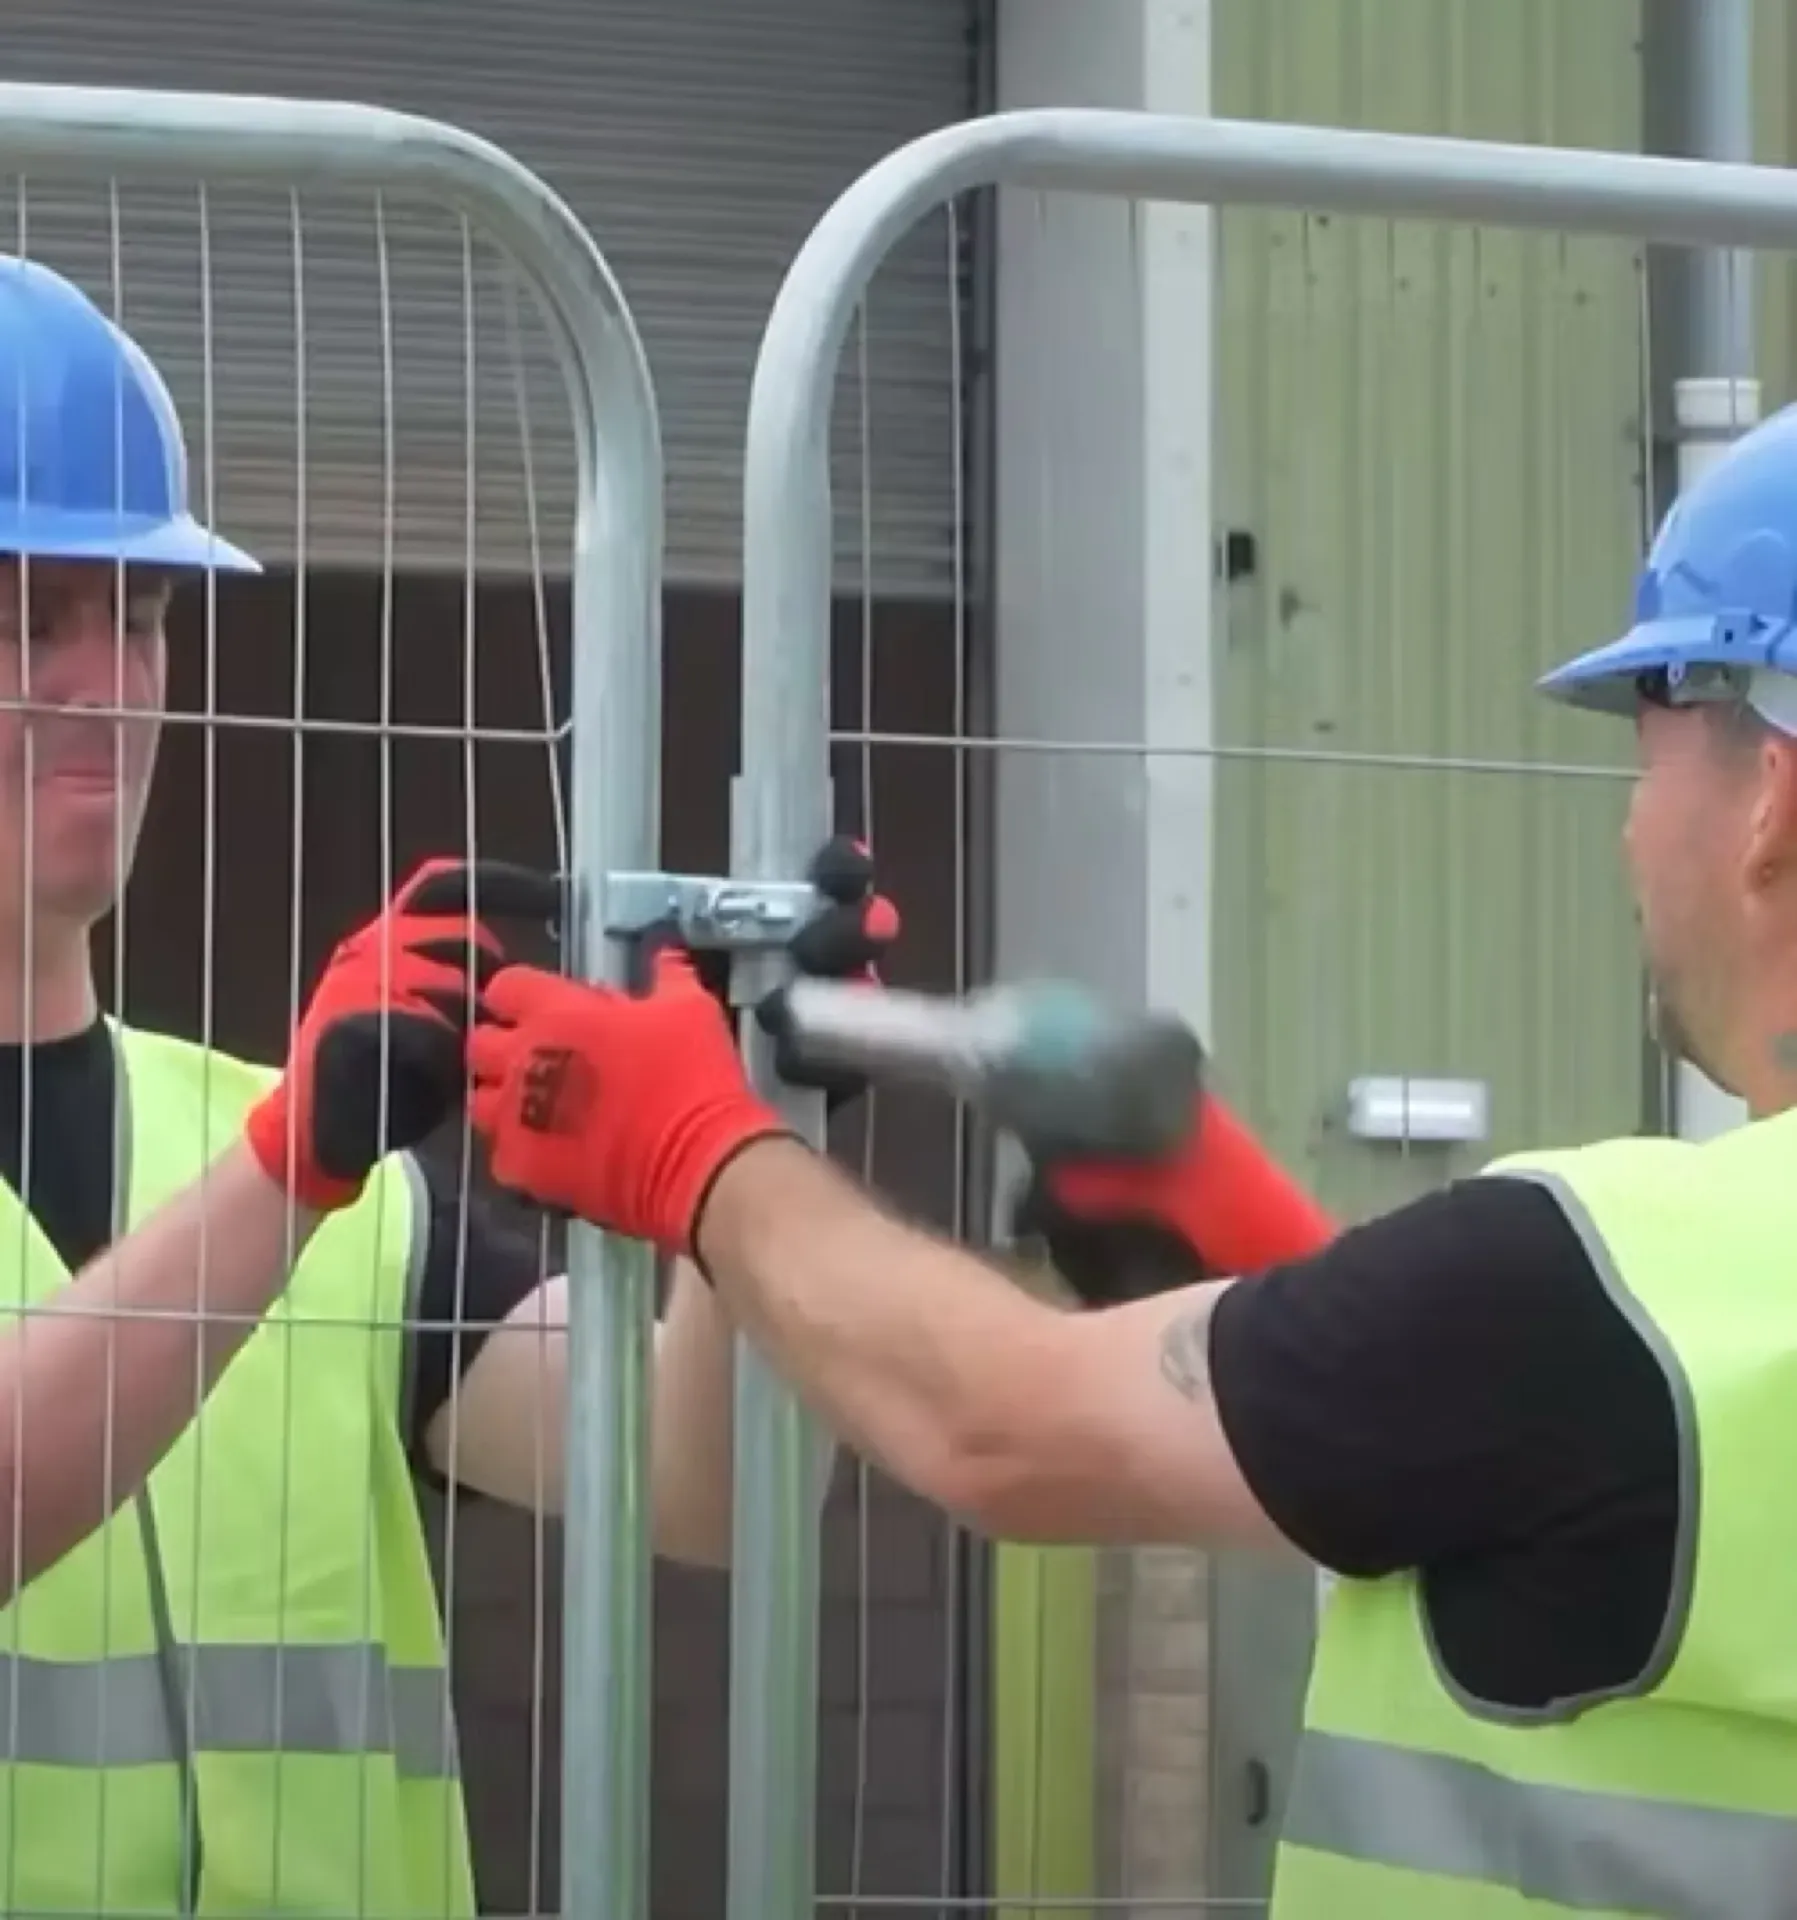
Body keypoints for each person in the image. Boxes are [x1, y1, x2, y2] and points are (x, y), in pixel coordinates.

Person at [460, 400, 1797, 1919]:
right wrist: (1265, 1248)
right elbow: (1553, 1477)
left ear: (1769, 796)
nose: (1631, 828)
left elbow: (996, 1429)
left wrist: (695, 1151)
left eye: (1650, 743)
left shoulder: (1608, 1286)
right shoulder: (1633, 1324)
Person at [0, 254, 892, 1916]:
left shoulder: (312, 1187)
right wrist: (290, 1167)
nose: (105, 685)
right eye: (21, 618)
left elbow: (706, 1489)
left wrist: (744, 1146)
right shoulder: (289, 1176)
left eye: (136, 615)